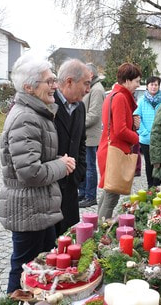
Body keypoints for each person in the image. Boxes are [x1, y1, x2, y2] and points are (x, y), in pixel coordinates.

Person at [0, 54, 75, 294]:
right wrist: (62, 165)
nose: (55, 85)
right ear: (29, 87)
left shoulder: (36, 113)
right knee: (25, 271)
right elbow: (30, 172)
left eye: (54, 79)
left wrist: (56, 162)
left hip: (39, 207)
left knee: (39, 269)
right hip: (28, 209)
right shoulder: (26, 118)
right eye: (49, 81)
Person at [97, 63, 141, 219]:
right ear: (127, 81)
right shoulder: (120, 97)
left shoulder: (113, 95)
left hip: (109, 150)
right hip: (115, 151)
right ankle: (100, 231)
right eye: (136, 81)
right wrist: (136, 137)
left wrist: (133, 125)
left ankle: (97, 226)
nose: (138, 85)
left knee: (109, 193)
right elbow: (120, 130)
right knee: (111, 197)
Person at [53, 59, 92, 236]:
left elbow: (81, 142)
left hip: (70, 189)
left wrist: (79, 172)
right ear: (69, 81)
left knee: (68, 240)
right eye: (86, 83)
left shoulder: (80, 107)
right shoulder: (48, 104)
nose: (88, 89)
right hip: (50, 188)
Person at [78, 64, 105, 208]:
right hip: (84, 135)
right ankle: (82, 192)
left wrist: (77, 124)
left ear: (91, 74)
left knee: (89, 167)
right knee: (83, 165)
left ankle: (90, 196)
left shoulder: (97, 90)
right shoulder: (91, 88)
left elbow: (94, 115)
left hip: (90, 135)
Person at [134, 76, 161, 188]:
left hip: (160, 138)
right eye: (151, 84)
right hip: (146, 138)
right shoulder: (142, 101)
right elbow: (137, 117)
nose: (153, 87)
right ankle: (150, 185)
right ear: (147, 86)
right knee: (149, 163)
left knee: (158, 163)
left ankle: (157, 184)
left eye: (156, 85)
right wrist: (144, 132)